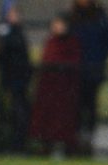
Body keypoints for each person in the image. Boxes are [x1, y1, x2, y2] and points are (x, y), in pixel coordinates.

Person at [67, 0, 108, 156]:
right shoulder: (73, 16)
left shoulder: (100, 17)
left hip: (93, 70)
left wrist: (99, 58)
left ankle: (87, 138)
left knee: (90, 105)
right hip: (75, 70)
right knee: (76, 106)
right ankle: (76, 139)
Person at [29, 14, 81, 157]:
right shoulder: (51, 42)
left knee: (63, 119)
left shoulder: (71, 42)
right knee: (47, 117)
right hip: (49, 88)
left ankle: (65, 146)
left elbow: (74, 62)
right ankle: (46, 144)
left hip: (64, 89)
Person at [0, 1, 32, 154]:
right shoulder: (5, 32)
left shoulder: (19, 32)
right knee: (13, 114)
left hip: (21, 81)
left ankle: (18, 145)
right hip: (10, 80)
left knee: (20, 114)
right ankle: (9, 146)